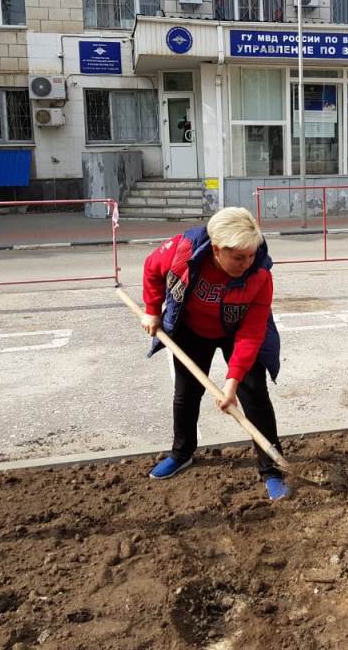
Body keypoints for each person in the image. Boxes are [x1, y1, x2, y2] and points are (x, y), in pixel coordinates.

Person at [140, 207, 289, 500]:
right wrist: (151, 310)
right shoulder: (183, 250)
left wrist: (231, 383)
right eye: (238, 257)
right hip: (192, 328)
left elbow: (251, 334)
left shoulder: (259, 275)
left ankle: (271, 469)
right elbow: (151, 268)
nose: (246, 263)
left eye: (250, 255)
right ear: (217, 249)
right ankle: (182, 453)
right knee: (186, 394)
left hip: (237, 332)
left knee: (254, 395)